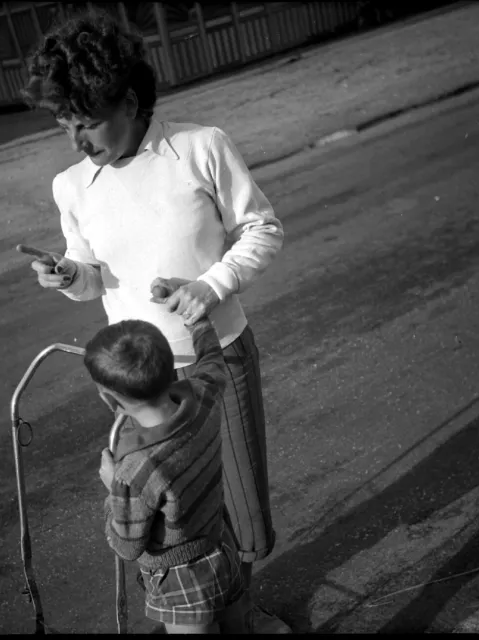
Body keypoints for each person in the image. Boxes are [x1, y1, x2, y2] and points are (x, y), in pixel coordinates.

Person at [18, 7, 287, 632]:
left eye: (86, 124)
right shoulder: (72, 186)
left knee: (238, 503)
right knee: (171, 514)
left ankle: (242, 616)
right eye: (64, 126)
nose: (77, 143)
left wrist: (212, 283)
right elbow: (92, 276)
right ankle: (196, 614)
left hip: (216, 358)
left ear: (131, 102)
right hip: (135, 384)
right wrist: (68, 275)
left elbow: (262, 228)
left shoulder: (199, 147)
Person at [85, 315, 247, 633]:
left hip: (180, 573)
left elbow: (127, 545)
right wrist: (198, 323)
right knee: (235, 625)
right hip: (221, 541)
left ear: (107, 398)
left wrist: (112, 490)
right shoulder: (203, 396)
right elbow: (212, 360)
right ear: (171, 368)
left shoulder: (135, 471)